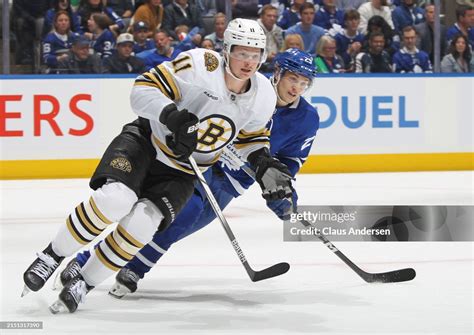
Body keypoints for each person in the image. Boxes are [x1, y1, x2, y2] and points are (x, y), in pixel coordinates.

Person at [22, 18, 292, 314]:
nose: (248, 62)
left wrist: (263, 162)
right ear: (227, 50)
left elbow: (251, 137)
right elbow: (142, 89)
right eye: (242, 53)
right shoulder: (201, 65)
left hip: (184, 170)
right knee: (115, 200)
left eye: (255, 55)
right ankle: (51, 256)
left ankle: (83, 283)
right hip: (145, 144)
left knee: (142, 224)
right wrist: (171, 116)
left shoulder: (264, 94)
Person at [60, 47, 319, 298]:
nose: (296, 87)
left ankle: (130, 266)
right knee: (168, 216)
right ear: (278, 73)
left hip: (231, 184)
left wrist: (282, 190)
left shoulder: (307, 118)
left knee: (178, 228)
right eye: (292, 78)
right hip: (203, 164)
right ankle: (99, 263)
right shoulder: (253, 90)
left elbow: (291, 159)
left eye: (303, 82)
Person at [258, 4, 284, 71]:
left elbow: (282, 48)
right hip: (258, 64)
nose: (272, 18)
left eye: (274, 16)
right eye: (269, 16)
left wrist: (278, 55)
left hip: (275, 64)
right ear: (261, 16)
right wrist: (266, 57)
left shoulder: (279, 31)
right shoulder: (255, 29)